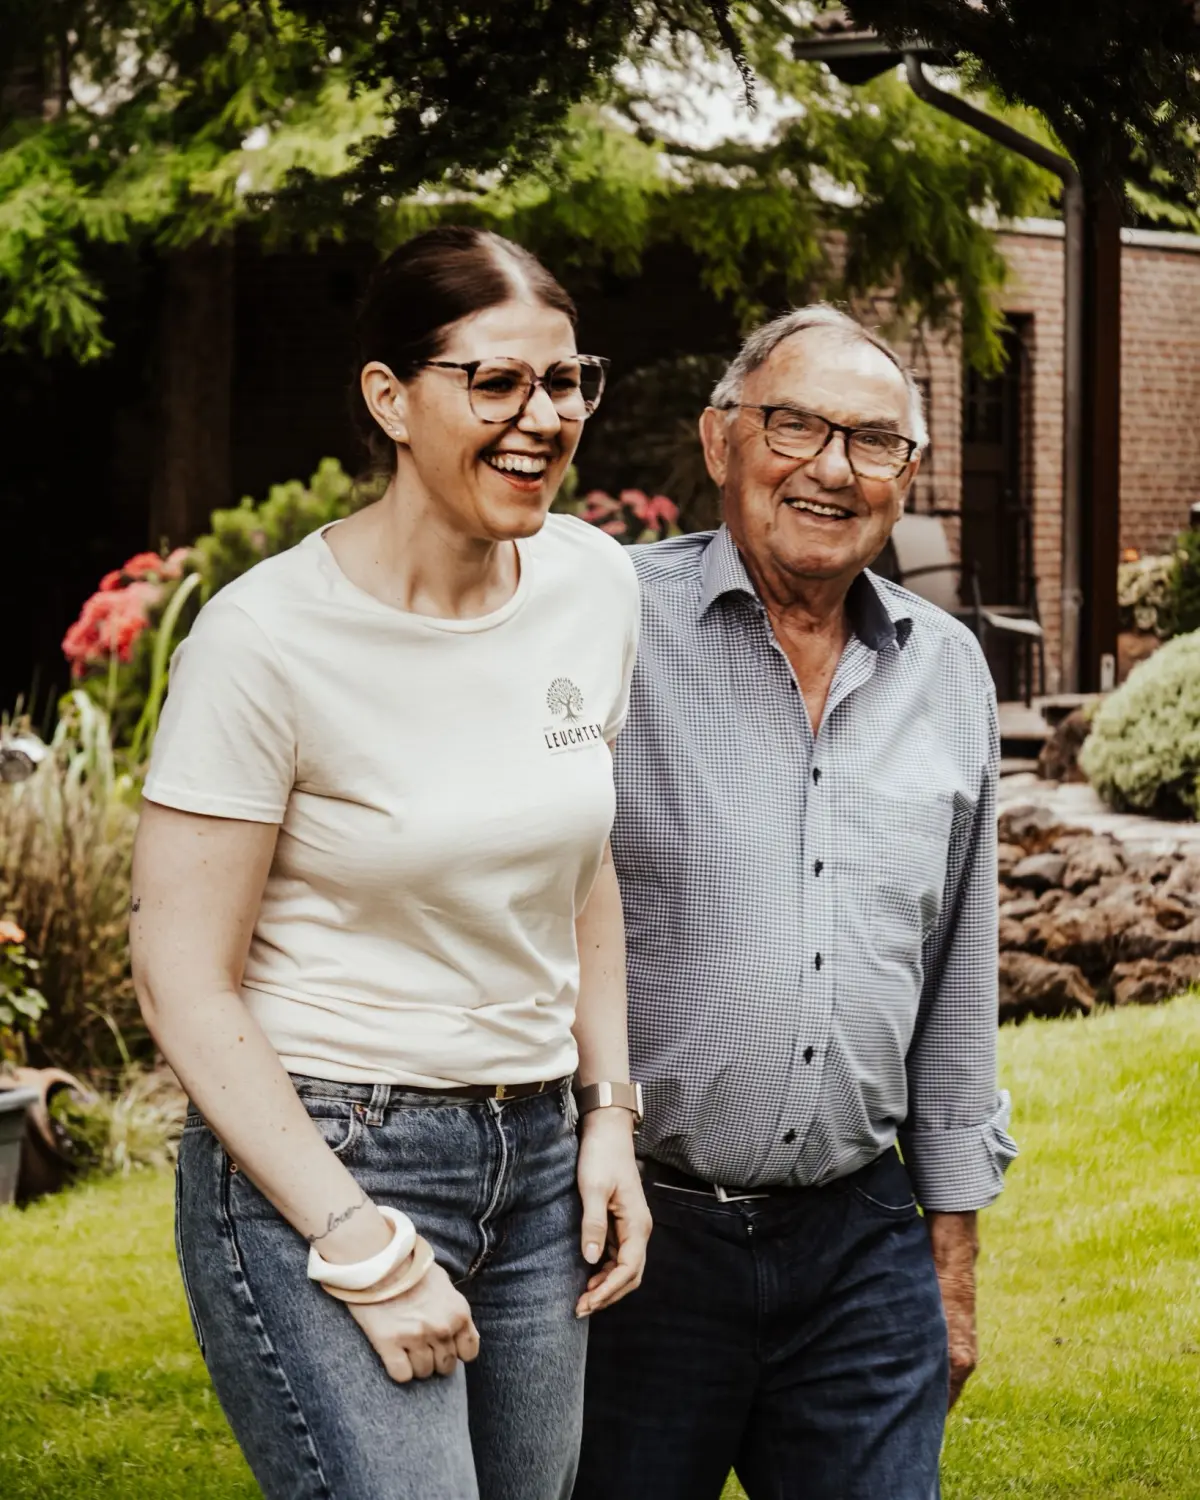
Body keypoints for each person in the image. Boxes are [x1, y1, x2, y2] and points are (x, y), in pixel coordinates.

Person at [130, 225, 651, 1500]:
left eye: (567, 380)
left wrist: (610, 1118)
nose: (544, 419)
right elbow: (180, 976)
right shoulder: (265, 643)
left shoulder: (591, 583)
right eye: (496, 383)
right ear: (388, 399)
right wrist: (356, 1240)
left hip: (536, 1169)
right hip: (327, 1150)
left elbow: (582, 866)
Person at [574, 305, 1017, 1500]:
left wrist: (951, 1253)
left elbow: (959, 980)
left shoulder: (947, 668)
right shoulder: (603, 623)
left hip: (860, 1245)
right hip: (633, 1241)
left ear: (907, 475)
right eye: (796, 426)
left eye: (874, 442)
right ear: (721, 439)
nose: (832, 468)